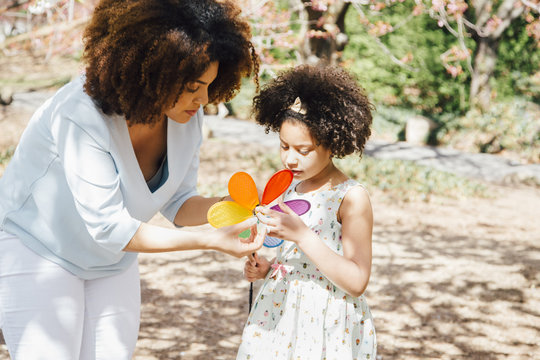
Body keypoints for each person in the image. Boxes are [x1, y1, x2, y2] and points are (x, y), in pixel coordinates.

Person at [0, 0, 263, 358]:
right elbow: (110, 227)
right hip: (39, 252)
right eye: (192, 86)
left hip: (112, 262)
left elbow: (178, 201)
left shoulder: (187, 115)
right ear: (153, 73)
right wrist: (212, 239)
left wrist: (232, 208)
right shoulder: (80, 114)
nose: (204, 99)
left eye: (209, 85)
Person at [236, 64, 377, 359]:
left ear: (333, 143)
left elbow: (356, 281)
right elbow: (296, 261)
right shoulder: (287, 188)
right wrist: (268, 269)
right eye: (284, 146)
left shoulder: (350, 198)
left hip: (326, 320)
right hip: (280, 313)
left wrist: (302, 235)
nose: (290, 159)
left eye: (304, 150)